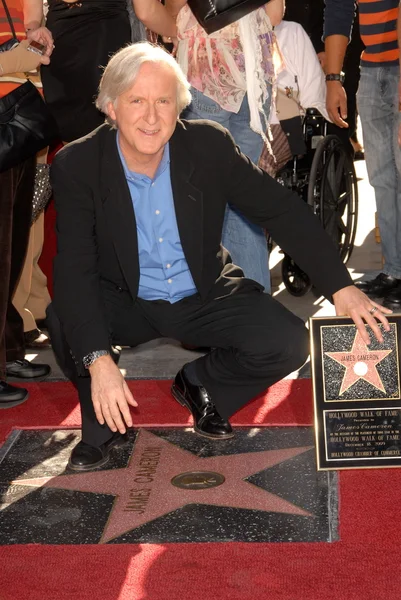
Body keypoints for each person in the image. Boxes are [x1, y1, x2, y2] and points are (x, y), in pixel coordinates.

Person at [47, 42, 390, 472]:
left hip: (202, 291)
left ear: (179, 107)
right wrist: (98, 360)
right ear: (111, 108)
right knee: (64, 317)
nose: (151, 117)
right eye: (137, 101)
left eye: (163, 101)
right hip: (123, 298)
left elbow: (280, 210)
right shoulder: (77, 164)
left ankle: (202, 383)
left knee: (287, 341)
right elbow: (75, 268)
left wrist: (341, 286)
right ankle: (103, 423)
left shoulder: (208, 145)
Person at [164, 0, 285, 292]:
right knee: (244, 201)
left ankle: (211, 317)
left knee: (200, 204)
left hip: (205, 69)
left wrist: (176, 29)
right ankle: (257, 319)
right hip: (255, 76)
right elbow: (275, 12)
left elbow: (157, 9)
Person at [324, 0, 401, 309]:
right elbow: (339, 11)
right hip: (371, 71)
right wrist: (333, 79)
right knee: (382, 178)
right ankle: (394, 270)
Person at [0, 0, 53, 408]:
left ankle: (8, 352)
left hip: (18, 120)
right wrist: (21, 56)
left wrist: (34, 39)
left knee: (13, 248)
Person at [38, 0, 177, 142]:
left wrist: (33, 28)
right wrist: (176, 31)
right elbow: (146, 11)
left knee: (74, 139)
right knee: (110, 137)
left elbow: (32, 19)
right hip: (104, 43)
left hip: (59, 45)